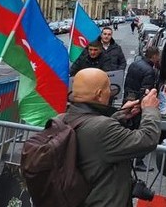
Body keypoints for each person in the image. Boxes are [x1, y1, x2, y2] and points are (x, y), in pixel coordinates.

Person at [65, 68, 160, 207]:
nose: (111, 92)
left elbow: (94, 129)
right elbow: (147, 140)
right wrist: (150, 110)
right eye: (109, 88)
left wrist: (120, 116)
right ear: (99, 94)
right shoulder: (102, 128)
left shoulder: (62, 119)